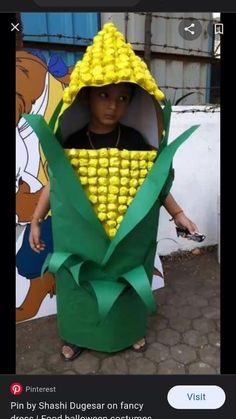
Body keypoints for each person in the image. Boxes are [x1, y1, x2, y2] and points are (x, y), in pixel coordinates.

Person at [29, 80, 197, 360]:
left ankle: (128, 330)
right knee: (80, 282)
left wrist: (178, 214)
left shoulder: (134, 141)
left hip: (124, 236)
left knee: (125, 282)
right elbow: (55, 182)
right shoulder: (74, 143)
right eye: (103, 96)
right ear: (86, 99)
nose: (112, 105)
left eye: (122, 98)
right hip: (83, 237)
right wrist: (36, 218)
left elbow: (154, 185)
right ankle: (77, 335)